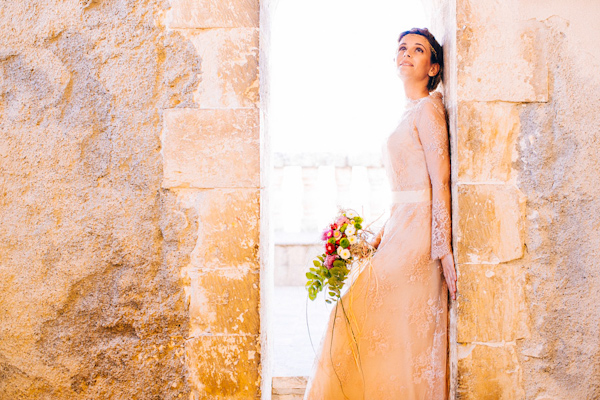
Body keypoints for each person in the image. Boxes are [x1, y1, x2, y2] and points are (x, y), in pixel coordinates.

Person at [303, 27, 457, 399]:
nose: (406, 53)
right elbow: (402, 191)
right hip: (400, 226)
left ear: (433, 67)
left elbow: (441, 180)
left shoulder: (429, 108)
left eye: (418, 50)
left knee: (356, 305)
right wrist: (380, 234)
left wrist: (444, 249)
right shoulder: (406, 112)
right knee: (372, 320)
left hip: (419, 235)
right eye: (402, 48)